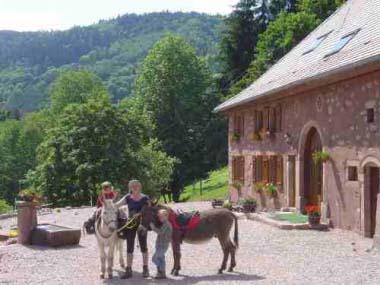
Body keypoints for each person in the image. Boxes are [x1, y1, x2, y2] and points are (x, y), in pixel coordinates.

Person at [117, 180, 150, 279]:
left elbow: (150, 208)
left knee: (143, 245)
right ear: (130, 188)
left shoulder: (145, 198)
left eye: (136, 186)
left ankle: (145, 268)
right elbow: (116, 205)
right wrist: (108, 205)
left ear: (140, 187)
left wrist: (140, 213)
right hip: (131, 223)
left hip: (142, 224)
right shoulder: (127, 197)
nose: (135, 187)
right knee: (129, 245)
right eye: (132, 186)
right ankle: (128, 269)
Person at [150, 209, 172, 279]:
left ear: (166, 216)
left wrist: (153, 228)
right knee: (161, 258)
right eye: (159, 217)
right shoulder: (164, 223)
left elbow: (160, 232)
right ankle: (162, 274)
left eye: (161, 217)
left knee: (154, 258)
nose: (160, 218)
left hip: (163, 245)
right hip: (159, 244)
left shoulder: (167, 224)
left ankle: (162, 270)